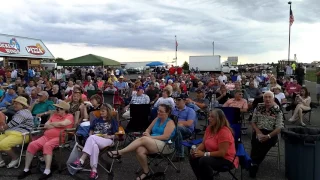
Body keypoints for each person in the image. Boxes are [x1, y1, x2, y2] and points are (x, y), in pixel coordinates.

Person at [108, 104, 175, 180]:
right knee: (139, 150)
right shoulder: (157, 119)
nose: (158, 112)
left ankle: (120, 152)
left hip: (165, 146)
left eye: (161, 111)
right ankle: (146, 172)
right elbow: (148, 129)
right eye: (158, 110)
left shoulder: (170, 122)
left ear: (167, 112)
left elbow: (165, 137)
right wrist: (146, 133)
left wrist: (149, 137)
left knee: (143, 139)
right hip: (153, 142)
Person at [18, 101, 74, 180]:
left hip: (60, 137)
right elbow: (46, 125)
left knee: (47, 145)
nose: (57, 109)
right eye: (57, 108)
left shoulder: (69, 116)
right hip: (46, 136)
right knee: (32, 144)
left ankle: (47, 171)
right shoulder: (54, 115)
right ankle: (26, 169)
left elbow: (63, 124)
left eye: (59, 109)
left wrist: (52, 124)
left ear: (64, 110)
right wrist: (55, 124)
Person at [69, 103, 118, 180]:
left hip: (107, 140)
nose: (101, 112)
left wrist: (109, 136)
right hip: (94, 140)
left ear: (108, 111)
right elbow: (91, 131)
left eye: (103, 111)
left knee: (92, 138)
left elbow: (117, 135)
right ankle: (94, 171)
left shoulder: (112, 121)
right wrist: (90, 135)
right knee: (94, 146)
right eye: (100, 111)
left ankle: (81, 159)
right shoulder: (96, 120)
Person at [189, 109, 238, 180]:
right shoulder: (209, 128)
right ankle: (200, 178)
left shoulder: (224, 132)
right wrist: (196, 150)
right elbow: (204, 144)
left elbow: (222, 153)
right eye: (209, 116)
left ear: (219, 119)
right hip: (212, 155)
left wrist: (204, 154)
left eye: (212, 117)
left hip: (226, 159)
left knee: (203, 160)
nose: (209, 119)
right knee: (193, 156)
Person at [249, 91, 284, 178]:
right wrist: (257, 131)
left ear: (273, 99)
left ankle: (253, 163)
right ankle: (254, 163)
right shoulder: (259, 107)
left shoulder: (277, 110)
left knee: (264, 143)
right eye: (266, 97)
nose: (267, 99)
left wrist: (268, 136)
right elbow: (253, 122)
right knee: (256, 142)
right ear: (263, 98)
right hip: (259, 130)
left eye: (269, 97)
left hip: (271, 133)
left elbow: (279, 128)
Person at [0, 96, 33, 168]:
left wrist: (2, 128)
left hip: (22, 135)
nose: (15, 105)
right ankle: (1, 161)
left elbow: (13, 123)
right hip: (11, 133)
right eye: (14, 103)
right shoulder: (20, 112)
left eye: (17, 104)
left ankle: (15, 158)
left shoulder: (24, 112)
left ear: (23, 106)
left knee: (3, 144)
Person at [172, 94, 196, 161]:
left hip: (188, 131)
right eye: (176, 100)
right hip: (175, 129)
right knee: (177, 130)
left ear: (185, 101)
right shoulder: (173, 110)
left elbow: (189, 123)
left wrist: (176, 123)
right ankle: (179, 155)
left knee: (177, 128)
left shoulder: (190, 110)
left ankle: (179, 154)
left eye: (179, 100)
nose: (177, 101)